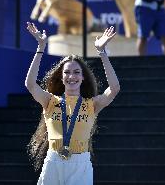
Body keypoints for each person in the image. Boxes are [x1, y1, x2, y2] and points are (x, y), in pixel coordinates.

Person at [25, 22, 120, 185]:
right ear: (61, 78)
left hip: (80, 164)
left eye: (77, 72)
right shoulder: (50, 101)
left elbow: (114, 88)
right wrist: (41, 47)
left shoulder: (91, 105)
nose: (71, 76)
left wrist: (102, 52)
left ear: (83, 77)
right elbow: (30, 85)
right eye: (67, 72)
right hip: (53, 161)